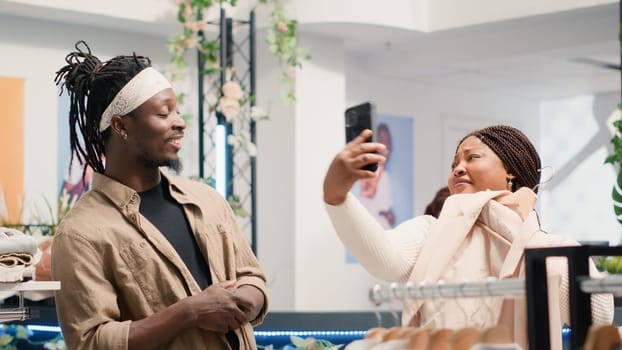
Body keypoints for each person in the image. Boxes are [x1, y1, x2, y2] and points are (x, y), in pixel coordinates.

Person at [51, 41, 268, 349]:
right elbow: (91, 341)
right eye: (164, 114)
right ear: (120, 125)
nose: (179, 122)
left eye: (177, 112)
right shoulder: (80, 235)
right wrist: (190, 312)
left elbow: (252, 276)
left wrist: (243, 300)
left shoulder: (207, 200)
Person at [323, 125, 613, 349]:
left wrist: (504, 219)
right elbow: (384, 261)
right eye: (453, 165)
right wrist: (336, 195)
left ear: (511, 171)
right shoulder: (429, 233)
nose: (458, 168)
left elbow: (599, 316)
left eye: (472, 157)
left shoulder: (550, 247)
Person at [359, 123, 395, 229]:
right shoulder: (370, 171)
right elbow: (368, 195)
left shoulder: (384, 174)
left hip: (384, 230)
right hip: (373, 231)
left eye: (388, 140)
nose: (386, 145)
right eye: (382, 140)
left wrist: (388, 214)